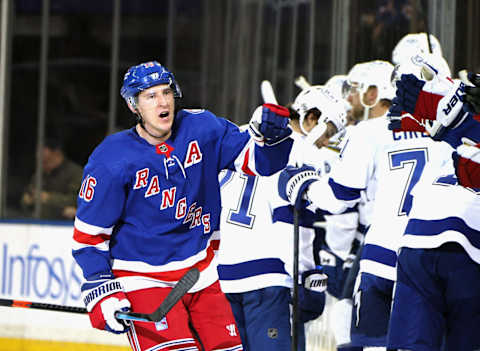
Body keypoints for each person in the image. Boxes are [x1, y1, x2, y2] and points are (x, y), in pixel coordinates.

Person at [71, 61, 294, 351]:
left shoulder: (202, 128)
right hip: (143, 277)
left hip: (200, 273)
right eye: (150, 96)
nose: (162, 102)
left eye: (166, 92)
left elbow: (262, 164)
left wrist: (274, 138)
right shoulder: (111, 159)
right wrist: (102, 290)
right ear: (133, 105)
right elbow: (88, 238)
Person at [277, 55, 454, 351]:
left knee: (371, 345)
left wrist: (303, 185)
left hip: (379, 255)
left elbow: (338, 198)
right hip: (430, 259)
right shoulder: (456, 135)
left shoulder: (369, 133)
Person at [217, 86, 345, 350]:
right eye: (328, 132)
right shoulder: (304, 152)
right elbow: (295, 223)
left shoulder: (241, 134)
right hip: (267, 276)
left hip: (221, 272)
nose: (325, 142)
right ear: (312, 117)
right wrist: (307, 276)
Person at [21, 136, 83, 220]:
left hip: (65, 224)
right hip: (38, 223)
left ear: (57, 154)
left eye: (46, 160)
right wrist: (27, 200)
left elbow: (78, 200)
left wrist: (48, 198)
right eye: (40, 161)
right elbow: (27, 195)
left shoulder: (76, 173)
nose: (43, 165)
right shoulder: (39, 175)